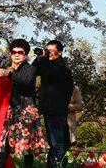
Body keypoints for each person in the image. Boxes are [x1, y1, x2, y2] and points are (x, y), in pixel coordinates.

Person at [0, 39, 45, 168]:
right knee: (2, 143)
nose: (16, 55)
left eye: (20, 52)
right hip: (10, 111)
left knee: (27, 146)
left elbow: (26, 81)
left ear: (26, 55)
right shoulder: (8, 68)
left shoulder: (31, 69)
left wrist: (8, 74)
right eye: (13, 52)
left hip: (26, 111)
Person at [33, 40, 74, 168]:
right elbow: (33, 71)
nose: (48, 54)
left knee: (58, 142)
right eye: (47, 50)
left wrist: (43, 59)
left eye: (51, 51)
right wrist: (39, 57)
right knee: (53, 142)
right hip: (49, 109)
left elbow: (52, 72)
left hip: (57, 109)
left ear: (60, 52)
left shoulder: (61, 67)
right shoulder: (46, 64)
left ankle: (60, 164)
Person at [0, 56, 15, 168]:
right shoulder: (0, 77)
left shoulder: (8, 77)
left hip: (3, 111)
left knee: (1, 141)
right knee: (0, 141)